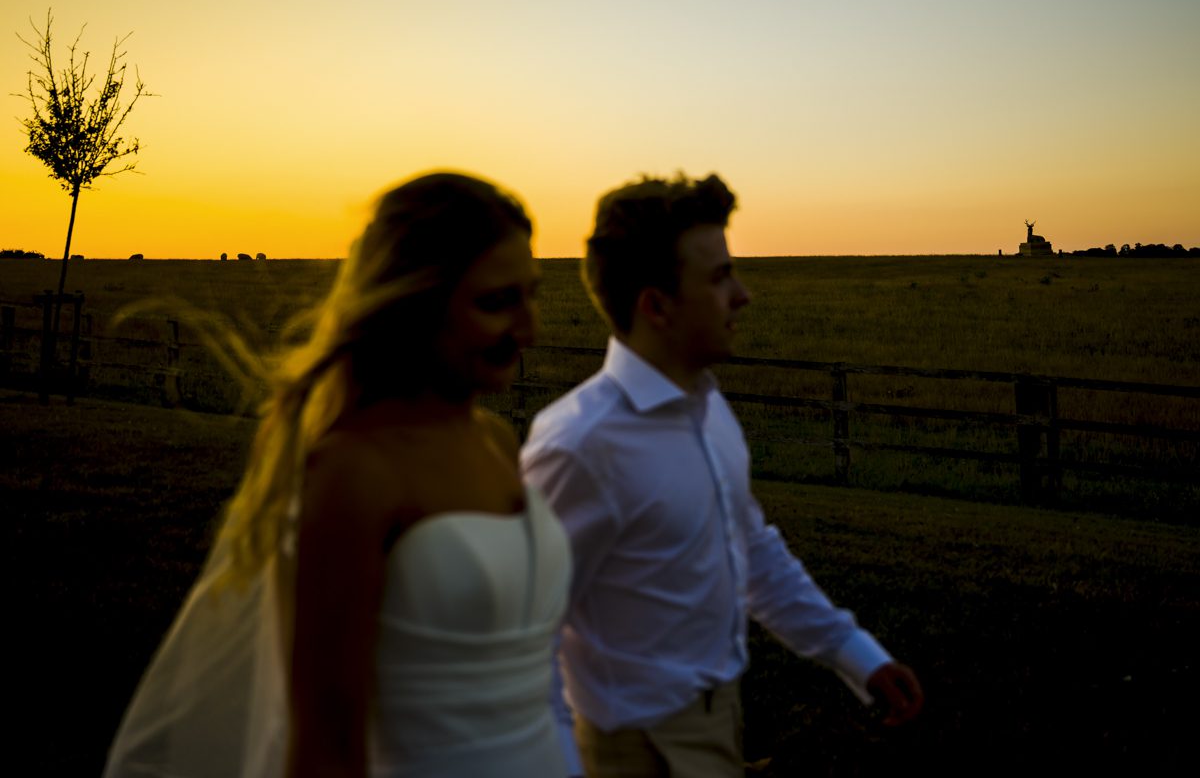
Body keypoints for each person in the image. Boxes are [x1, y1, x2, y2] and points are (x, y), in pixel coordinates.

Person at [104, 172, 571, 778]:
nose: (529, 329)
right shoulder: (355, 472)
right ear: (414, 304)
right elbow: (326, 740)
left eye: (531, 295)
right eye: (496, 302)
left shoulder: (495, 440)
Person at [520, 173, 923, 776]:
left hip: (719, 723)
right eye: (718, 277)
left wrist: (856, 655)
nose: (743, 294)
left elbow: (751, 547)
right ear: (655, 305)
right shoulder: (580, 445)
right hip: (634, 751)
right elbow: (527, 641)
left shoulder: (708, 408)